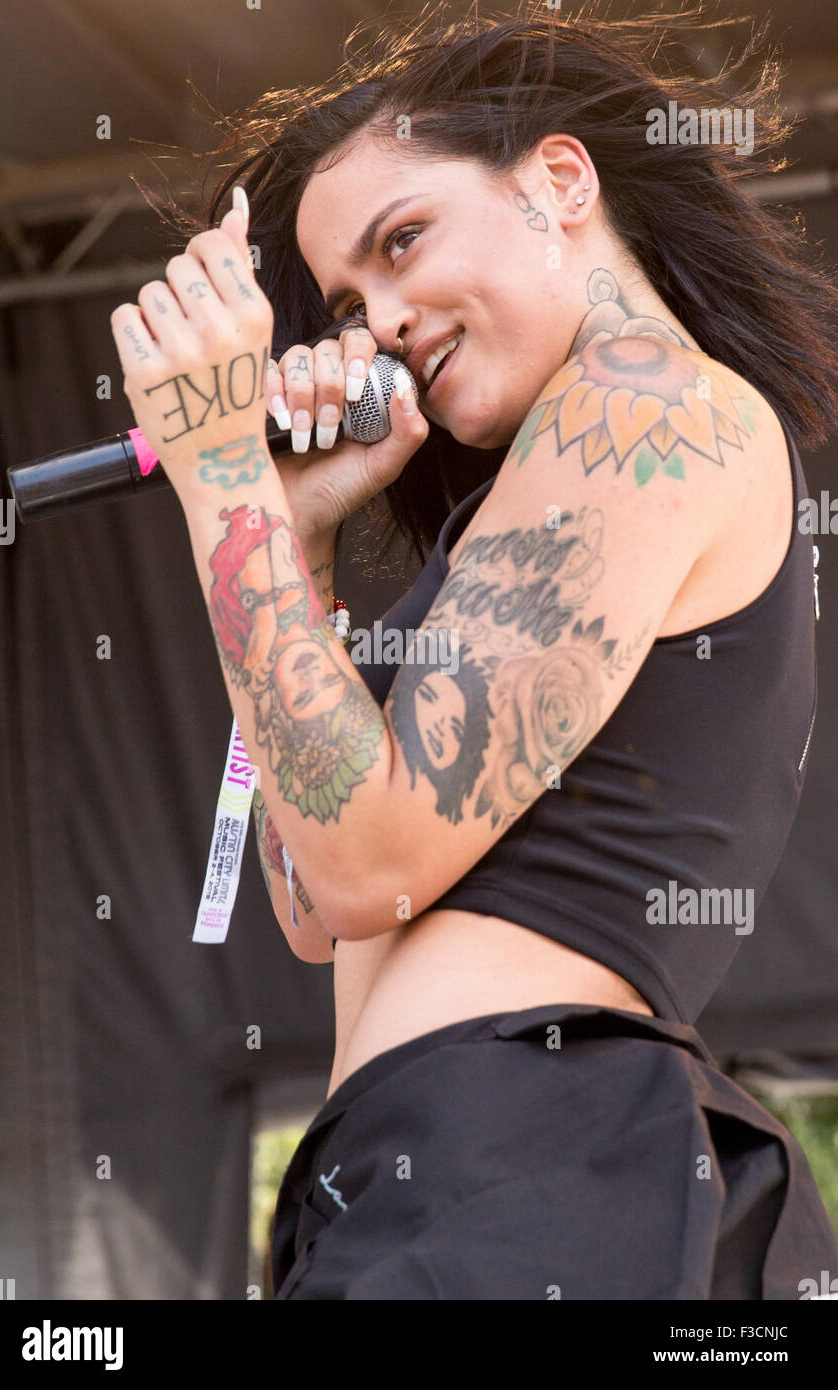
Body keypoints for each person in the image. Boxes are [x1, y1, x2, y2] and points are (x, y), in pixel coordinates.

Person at [120, 3, 838, 1298]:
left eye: (403, 243)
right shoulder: (517, 500)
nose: (378, 317)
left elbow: (365, 860)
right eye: (348, 299)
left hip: (527, 1146)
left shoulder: (645, 403)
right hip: (434, 1152)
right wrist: (290, 525)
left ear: (558, 182)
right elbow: (305, 886)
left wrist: (219, 471)